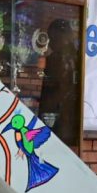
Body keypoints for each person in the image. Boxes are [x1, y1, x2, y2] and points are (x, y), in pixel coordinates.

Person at [40, 18, 79, 147]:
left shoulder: (77, 59)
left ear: (66, 37)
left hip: (68, 124)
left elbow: (63, 90)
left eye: (54, 39)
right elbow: (46, 91)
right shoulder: (53, 59)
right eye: (50, 38)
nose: (51, 43)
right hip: (52, 121)